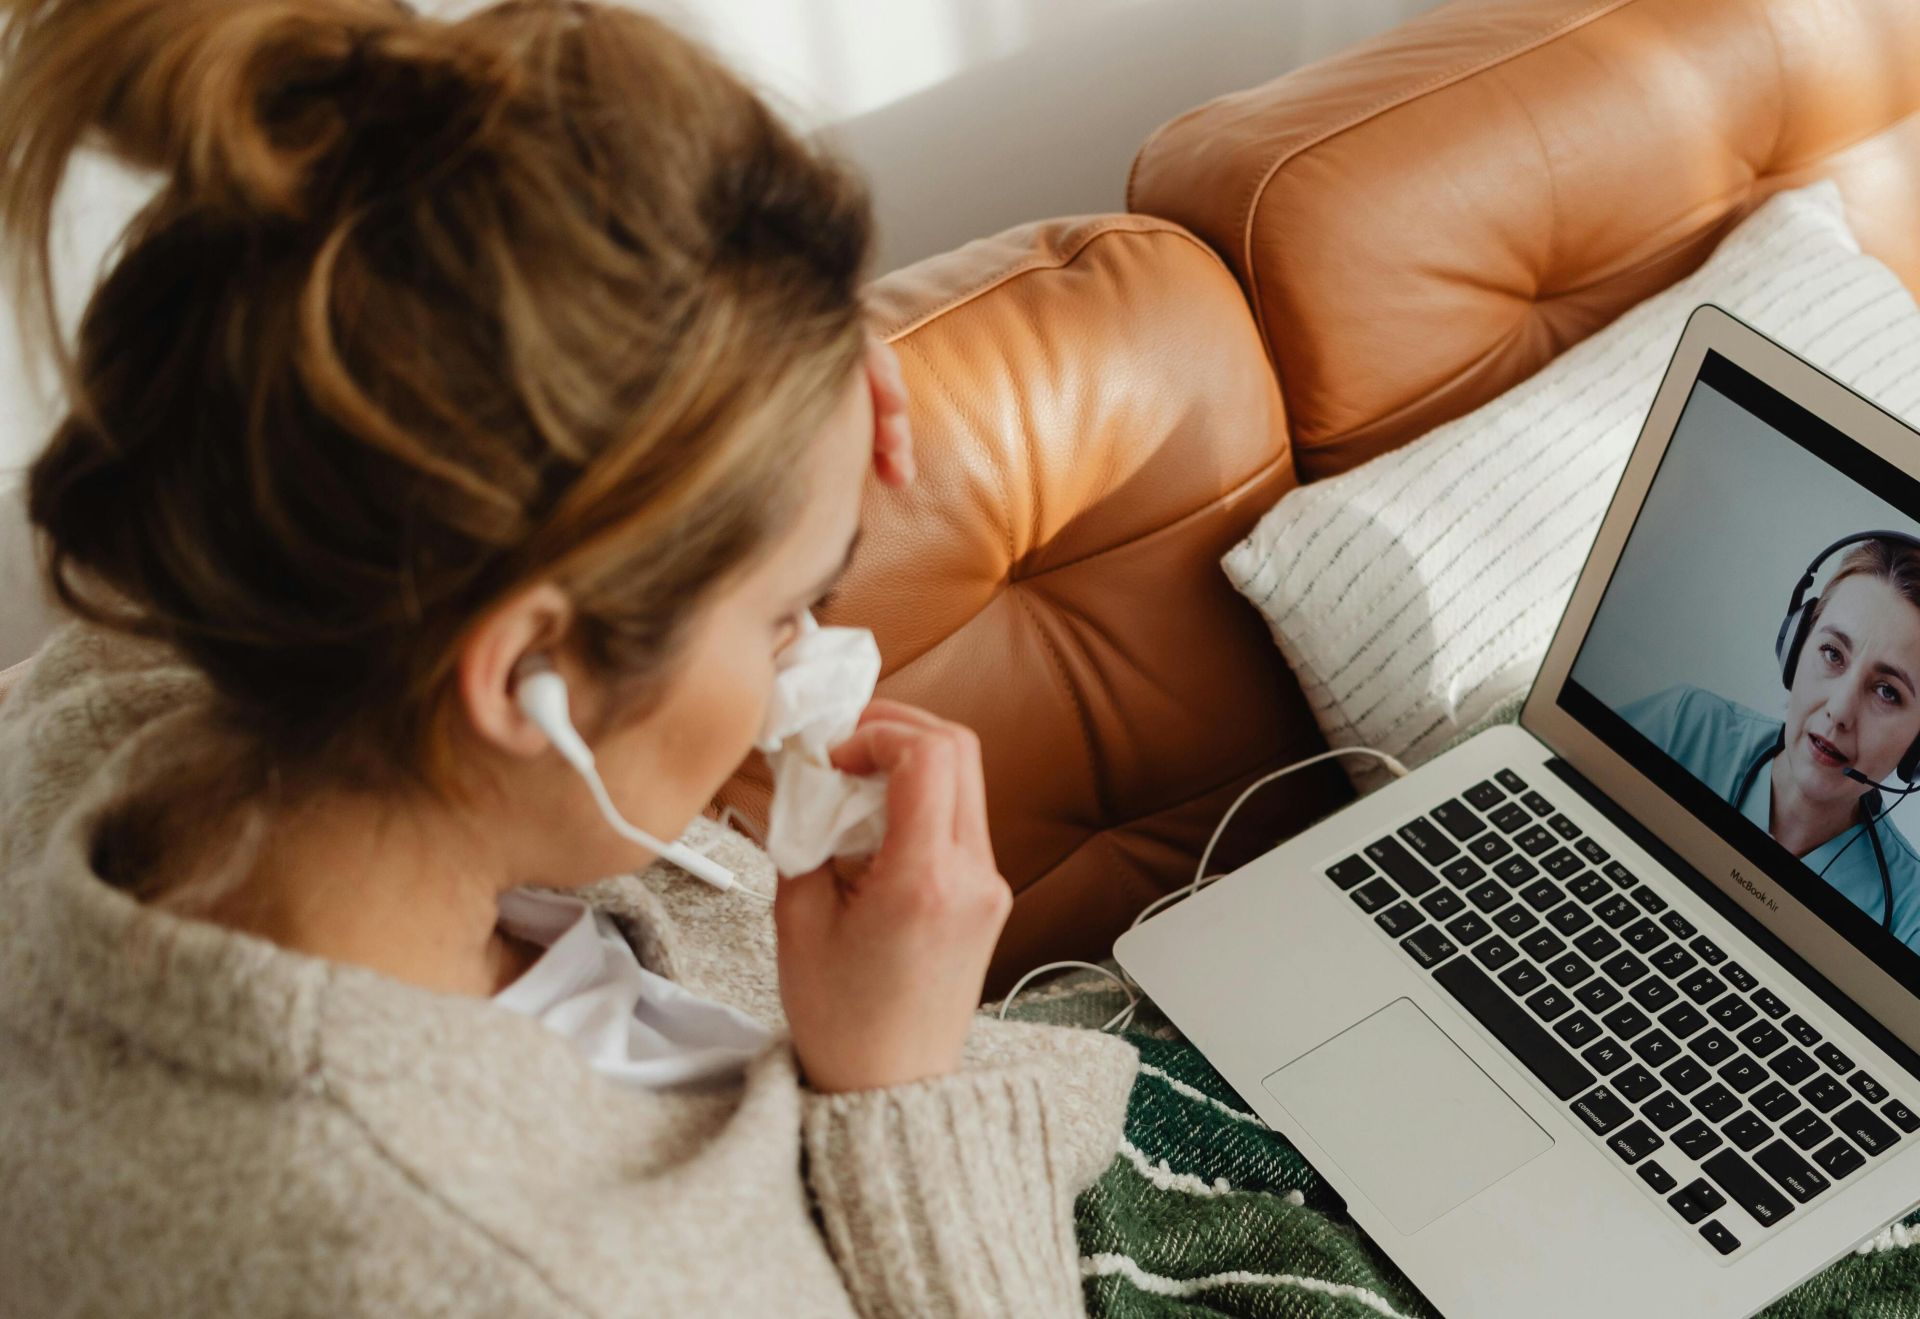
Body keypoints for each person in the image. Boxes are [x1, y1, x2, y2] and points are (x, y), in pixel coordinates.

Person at [0, 1, 1135, 1313]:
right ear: (528, 677)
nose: (809, 661)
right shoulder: (513, 1271)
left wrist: (778, 377)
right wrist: (898, 1087)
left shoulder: (171, 658)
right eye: (786, 614)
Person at [1621, 536, 1920, 953]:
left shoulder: (1911, 915)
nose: (1839, 711)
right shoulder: (1683, 727)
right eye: (1832, 653)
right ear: (1795, 646)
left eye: (1887, 692)